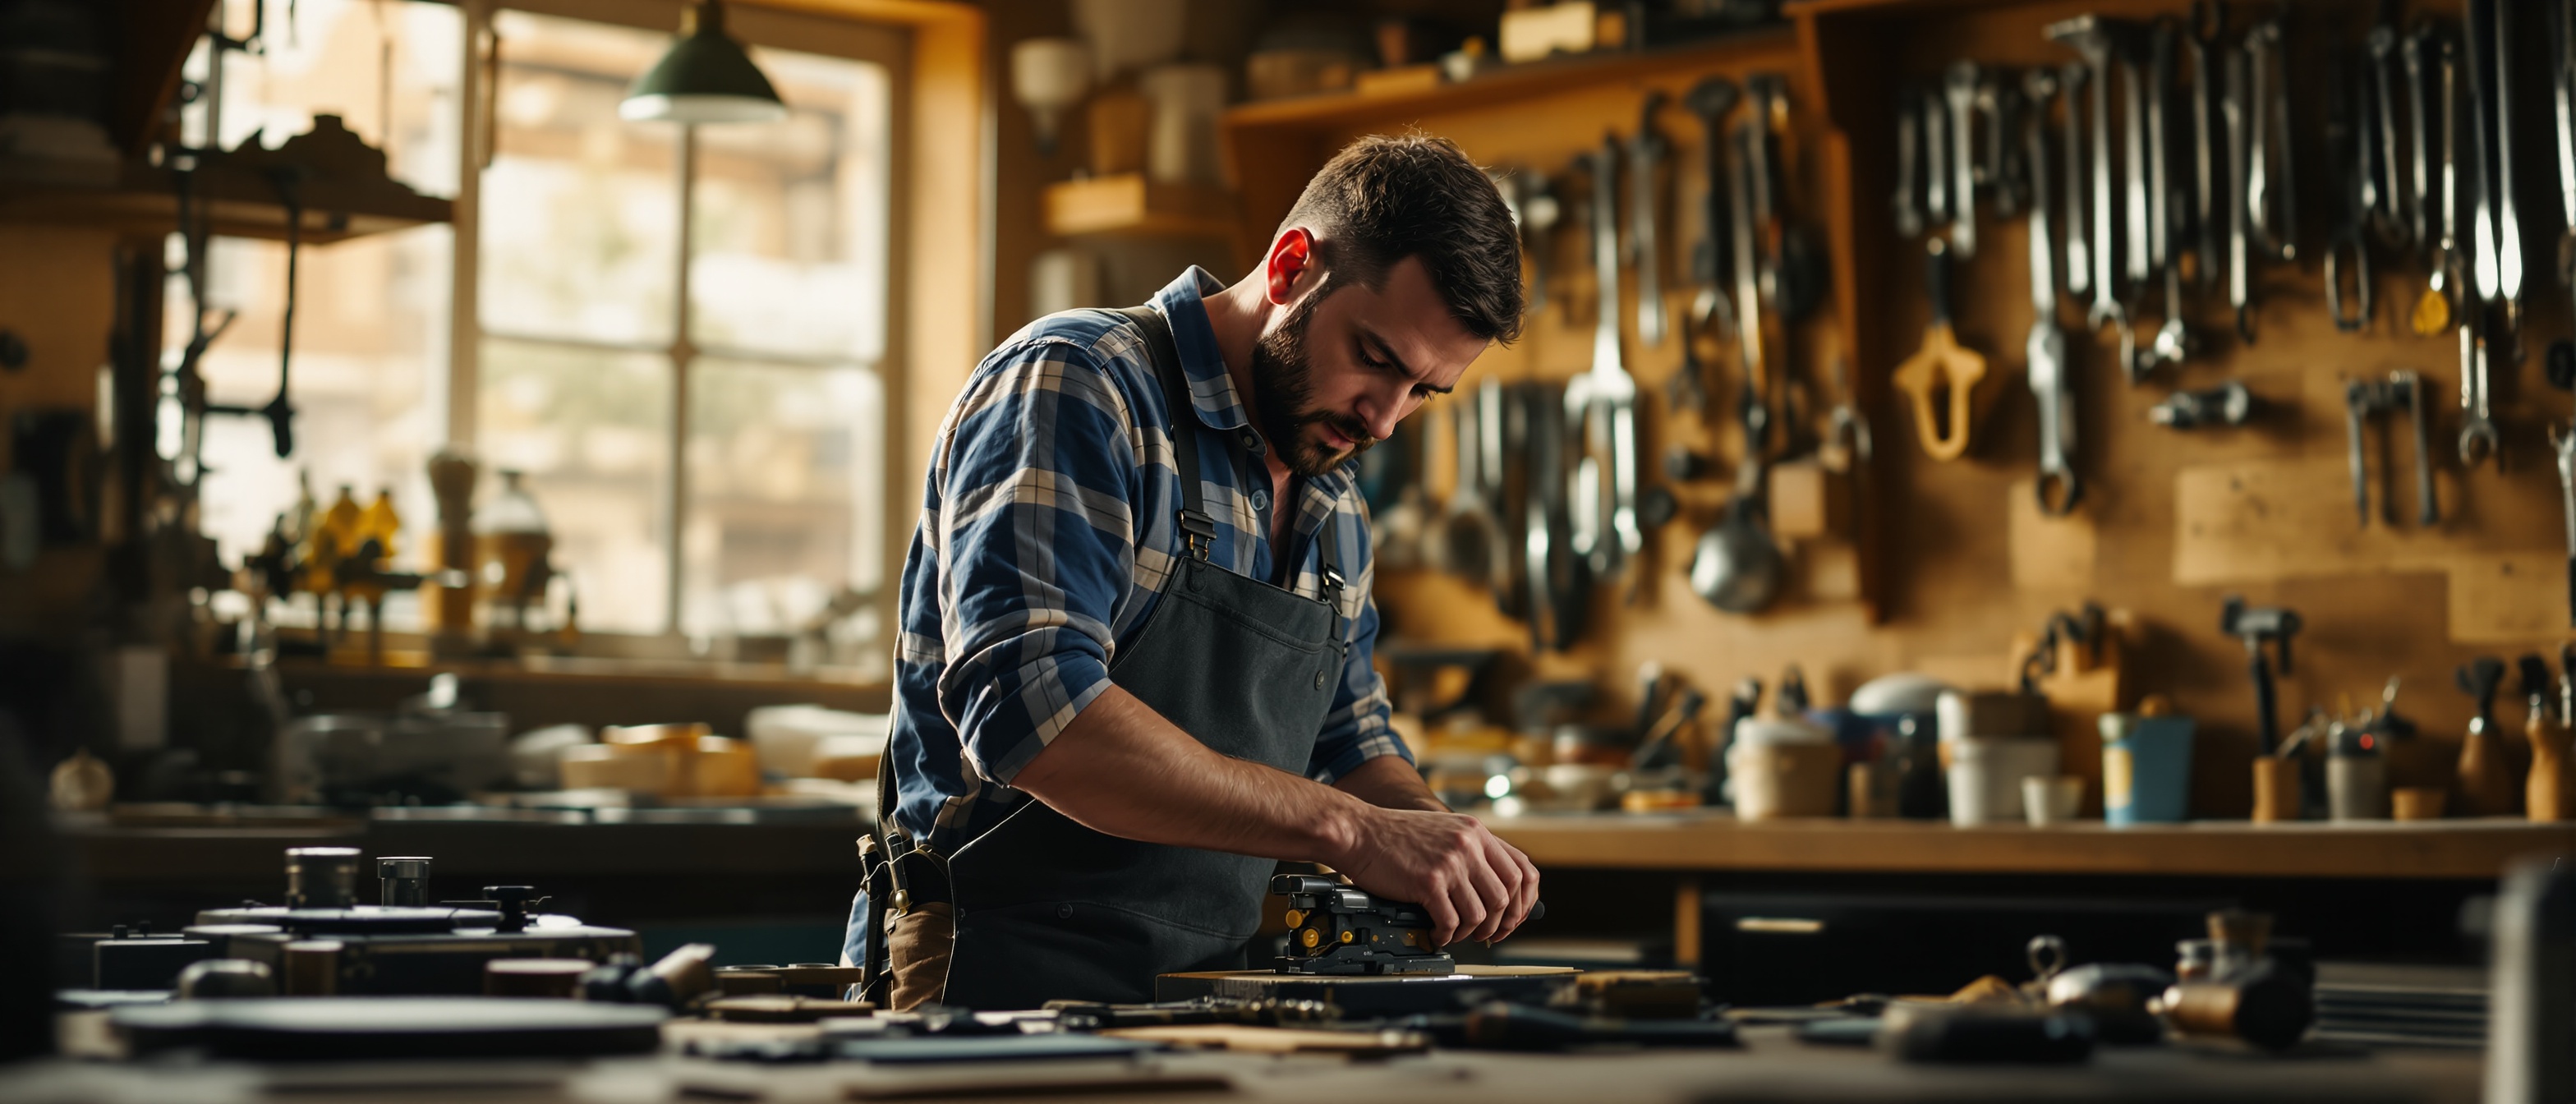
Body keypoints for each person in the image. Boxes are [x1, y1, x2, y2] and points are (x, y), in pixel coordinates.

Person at [846, 134, 1538, 1010]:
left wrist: (1436, 838)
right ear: (1291, 268)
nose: (1385, 420)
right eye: (1375, 359)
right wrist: (1350, 831)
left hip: (1208, 1001)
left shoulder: (1334, 499)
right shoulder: (1080, 386)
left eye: (1424, 393)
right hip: (993, 980)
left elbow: (1346, 741)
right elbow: (1033, 711)